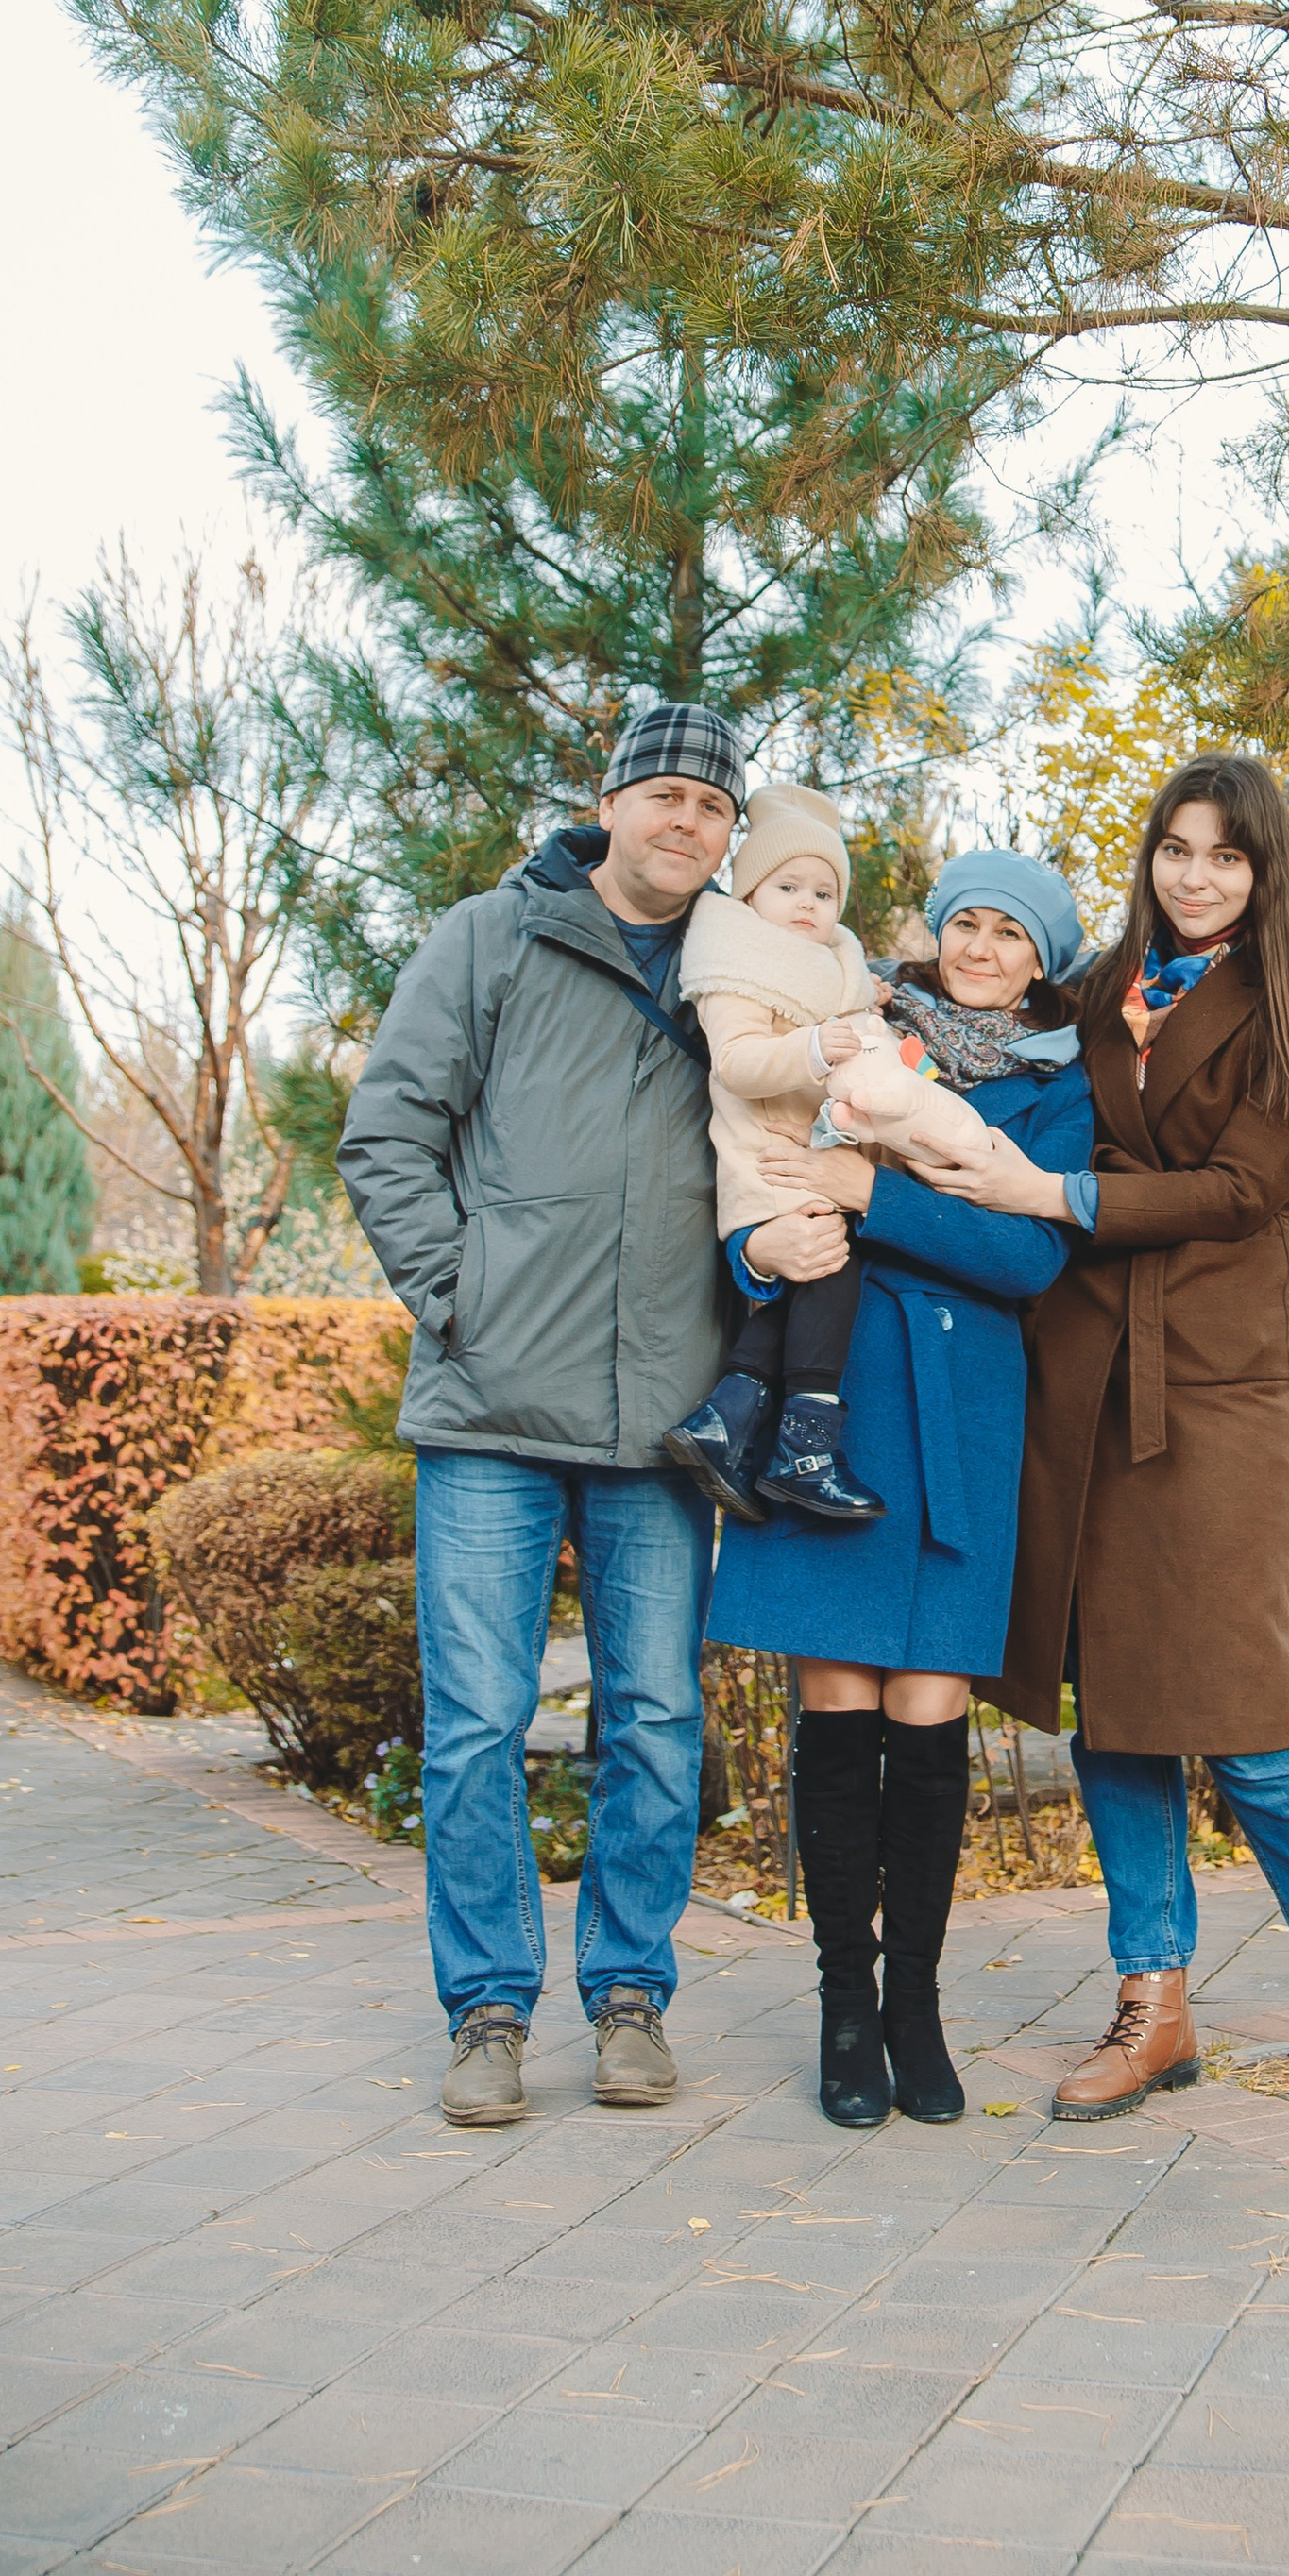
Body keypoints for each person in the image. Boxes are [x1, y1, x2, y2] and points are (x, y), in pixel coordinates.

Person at [907, 757, 1289, 2124]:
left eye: (1224, 855)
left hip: (1210, 1381)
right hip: (1078, 1376)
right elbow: (970, 1023)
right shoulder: (1100, 988)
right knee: (1118, 1709)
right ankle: (1152, 2003)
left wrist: (1059, 1192)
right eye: (1174, 849)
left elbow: (1244, 1188)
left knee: (1247, 1714)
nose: (1194, 875)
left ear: (1264, 871)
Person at [338, 702, 745, 2130]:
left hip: (662, 1419)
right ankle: (489, 2011)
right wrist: (460, 1299)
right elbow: (388, 1132)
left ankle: (630, 1995)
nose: (686, 820)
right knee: (475, 1726)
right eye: (664, 793)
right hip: (491, 1410)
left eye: (713, 804)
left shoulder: (740, 967)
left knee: (657, 1724)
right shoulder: (488, 938)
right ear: (609, 802)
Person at [709, 850, 1094, 2130]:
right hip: (838, 1402)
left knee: (929, 1718)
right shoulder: (854, 1024)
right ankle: (842, 2004)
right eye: (964, 923)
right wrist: (759, 1247)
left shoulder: (1058, 1085)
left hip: (963, 1420)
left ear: (1042, 959)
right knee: (836, 1710)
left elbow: (1029, 1256)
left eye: (1010, 933)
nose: (980, 948)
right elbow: (759, 1158)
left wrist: (872, 1192)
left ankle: (914, 2007)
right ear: (936, 931)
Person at [663, 782, 890, 1528]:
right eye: (787, 887)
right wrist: (816, 1046)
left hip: (806, 1161)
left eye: (824, 893)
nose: (806, 904)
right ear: (750, 893)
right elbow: (737, 1064)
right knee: (832, 1273)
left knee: (811, 1281)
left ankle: (726, 1418)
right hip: (766, 1164)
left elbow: (841, 1021)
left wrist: (864, 1013)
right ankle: (805, 1448)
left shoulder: (824, 971)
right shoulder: (737, 966)